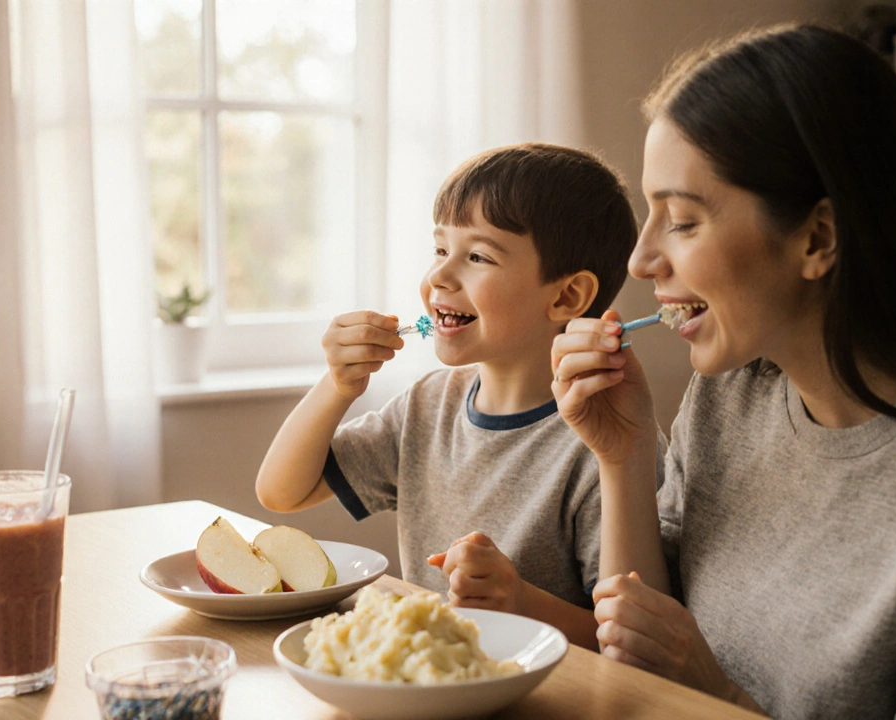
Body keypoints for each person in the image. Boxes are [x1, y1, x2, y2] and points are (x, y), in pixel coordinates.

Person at [550, 24, 896, 719]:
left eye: (684, 221)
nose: (641, 261)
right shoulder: (732, 391)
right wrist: (625, 455)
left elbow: (681, 683)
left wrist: (719, 697)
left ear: (818, 237)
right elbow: (640, 649)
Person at [256, 143, 640, 649]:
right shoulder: (426, 407)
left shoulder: (608, 444)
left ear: (566, 297)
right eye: (440, 250)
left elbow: (625, 639)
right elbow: (282, 492)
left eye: (477, 256)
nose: (439, 275)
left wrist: (523, 603)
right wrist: (337, 386)